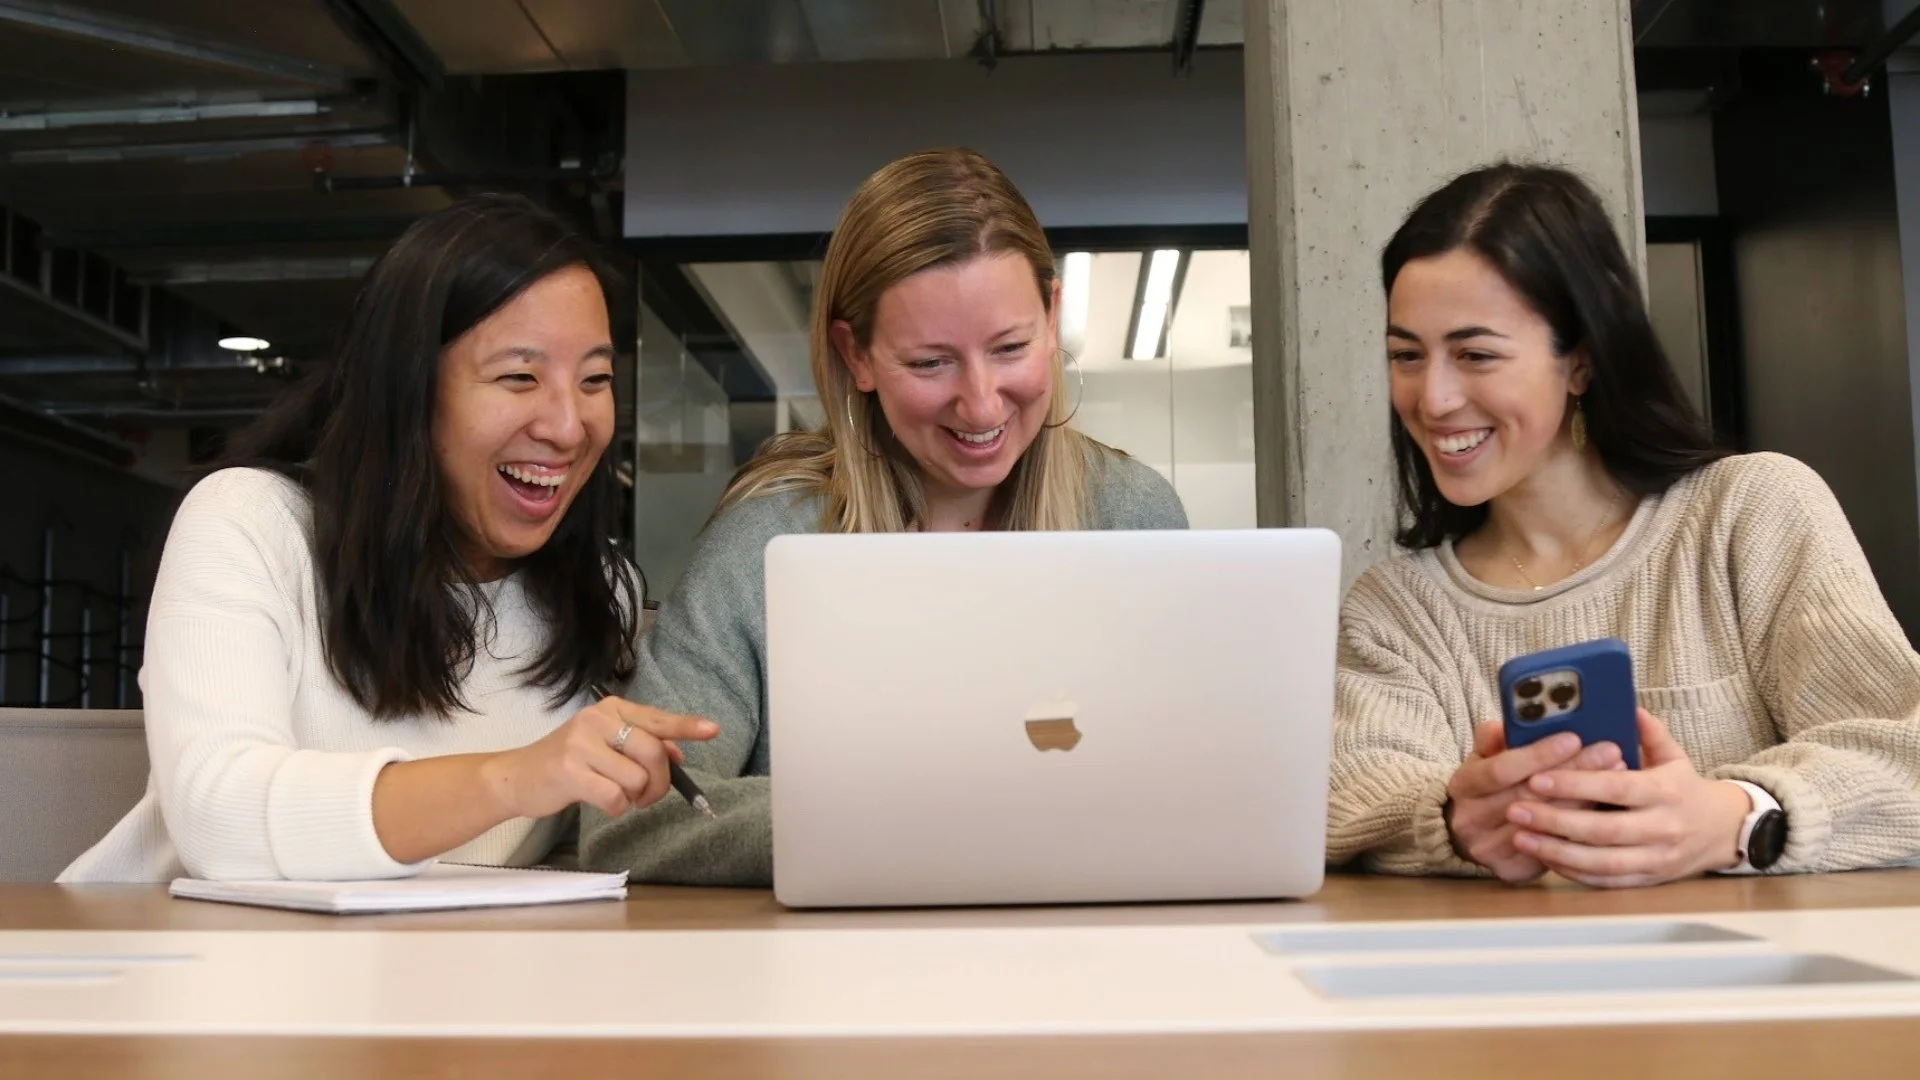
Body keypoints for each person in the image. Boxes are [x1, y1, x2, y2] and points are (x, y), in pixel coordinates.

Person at [579, 147, 1190, 886]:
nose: (983, 403)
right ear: (856, 354)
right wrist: (906, 820)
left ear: (1052, 316)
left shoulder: (1133, 516)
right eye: (931, 362)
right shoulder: (771, 540)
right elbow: (628, 821)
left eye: (1011, 348)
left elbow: (1195, 783)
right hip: (842, 979)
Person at [61, 195, 714, 883]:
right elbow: (219, 821)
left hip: (411, 981)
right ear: (406, 388)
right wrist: (513, 779)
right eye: (519, 377)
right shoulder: (250, 524)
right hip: (163, 966)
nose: (568, 425)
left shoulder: (596, 588)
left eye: (595, 380)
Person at [1328, 163, 1920, 887]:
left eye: (1476, 354)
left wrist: (1737, 818)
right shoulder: (1395, 609)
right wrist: (1452, 820)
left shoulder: (1750, 513)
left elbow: (1904, 748)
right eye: (1406, 356)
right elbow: (1350, 796)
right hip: (1511, 991)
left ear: (1580, 360)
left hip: (1755, 990)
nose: (1435, 397)